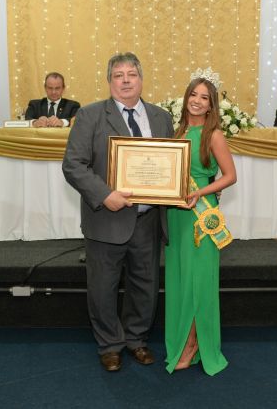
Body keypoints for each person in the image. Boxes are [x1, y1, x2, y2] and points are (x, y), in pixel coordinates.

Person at [62, 52, 174, 372]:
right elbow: (73, 165)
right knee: (103, 288)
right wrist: (104, 194)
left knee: (145, 285)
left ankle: (136, 339)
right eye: (118, 76)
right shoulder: (90, 115)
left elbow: (171, 165)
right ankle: (110, 344)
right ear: (109, 81)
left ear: (141, 79)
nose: (125, 81)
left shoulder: (161, 117)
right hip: (106, 218)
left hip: (148, 220)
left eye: (131, 75)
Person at [164, 75, 237, 376]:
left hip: (200, 215)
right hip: (176, 215)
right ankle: (183, 340)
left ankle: (194, 344)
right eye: (193, 94)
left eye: (204, 97)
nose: (196, 100)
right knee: (181, 281)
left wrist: (201, 192)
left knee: (199, 282)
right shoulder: (177, 132)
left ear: (211, 106)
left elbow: (230, 176)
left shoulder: (214, 135)